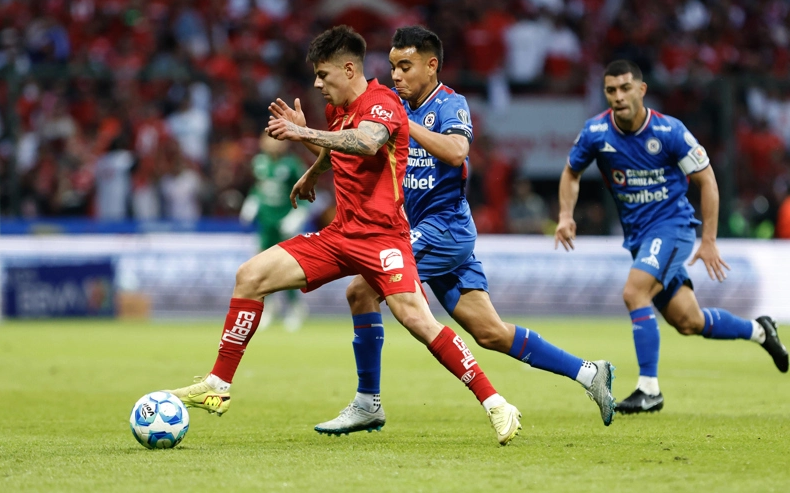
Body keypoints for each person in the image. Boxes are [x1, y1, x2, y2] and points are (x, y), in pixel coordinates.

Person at [168, 25, 523, 445]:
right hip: (340, 235)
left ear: (349, 68)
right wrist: (310, 170)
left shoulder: (385, 103)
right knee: (251, 276)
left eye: (323, 75)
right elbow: (338, 149)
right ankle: (218, 383)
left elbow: (367, 143)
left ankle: (497, 403)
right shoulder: (341, 109)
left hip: (384, 239)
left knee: (416, 319)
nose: (317, 84)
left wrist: (303, 133)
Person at [299, 26, 615, 437]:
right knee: (490, 333)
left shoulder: (450, 104)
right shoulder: (389, 104)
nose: (396, 75)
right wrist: (312, 157)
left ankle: (368, 402)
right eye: (393, 66)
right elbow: (357, 154)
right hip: (423, 231)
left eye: (405, 66)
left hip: (442, 228)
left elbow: (457, 151)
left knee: (361, 290)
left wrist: (401, 125)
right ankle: (589, 372)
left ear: (431, 66)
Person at [555, 59, 788, 414]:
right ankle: (760, 330)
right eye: (611, 90)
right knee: (688, 321)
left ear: (641, 90)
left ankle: (649, 390)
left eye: (625, 88)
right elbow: (571, 173)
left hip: (673, 228)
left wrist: (708, 240)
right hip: (639, 238)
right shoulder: (595, 133)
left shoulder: (670, 132)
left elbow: (707, 180)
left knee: (634, 292)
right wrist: (565, 216)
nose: (618, 97)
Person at [240, 131, 310, 331]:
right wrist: (251, 202)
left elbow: (306, 191)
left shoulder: (292, 165)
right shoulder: (259, 163)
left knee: (287, 270)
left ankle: (295, 308)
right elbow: (258, 188)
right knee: (262, 269)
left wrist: (297, 216)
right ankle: (269, 309)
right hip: (266, 224)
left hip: (285, 223)